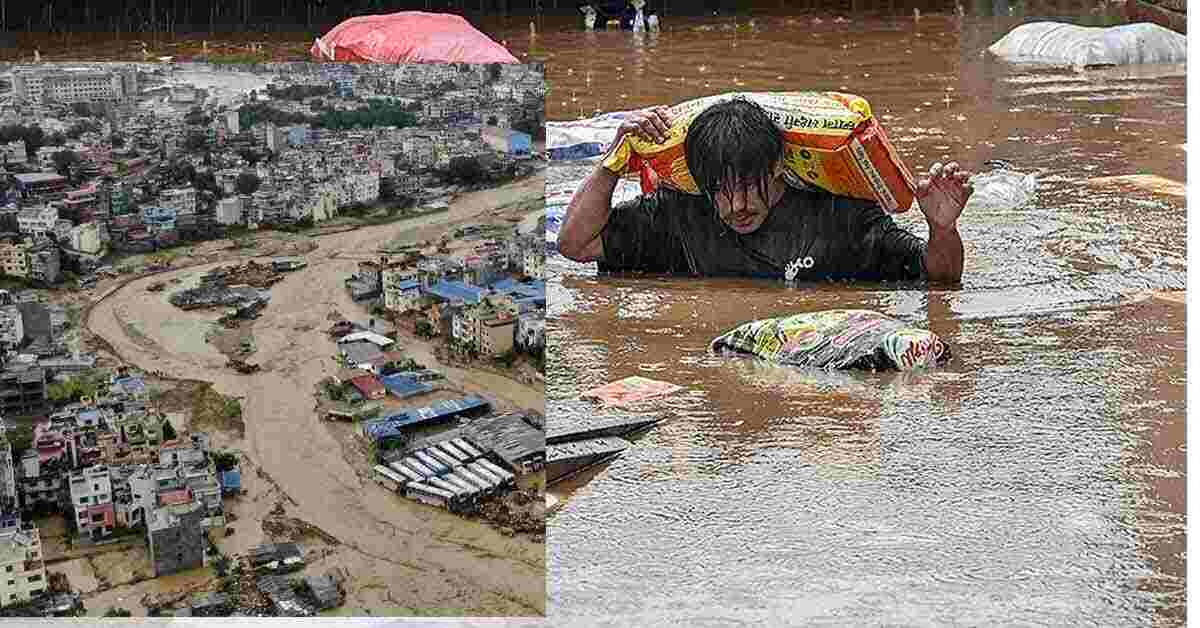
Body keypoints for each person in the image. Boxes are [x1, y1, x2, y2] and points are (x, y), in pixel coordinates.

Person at [557, 99, 973, 283]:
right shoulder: (675, 215)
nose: (736, 205)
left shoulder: (840, 217)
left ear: (778, 168)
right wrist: (612, 162)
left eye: (748, 188)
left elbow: (939, 279)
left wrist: (941, 229)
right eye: (721, 191)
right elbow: (575, 244)